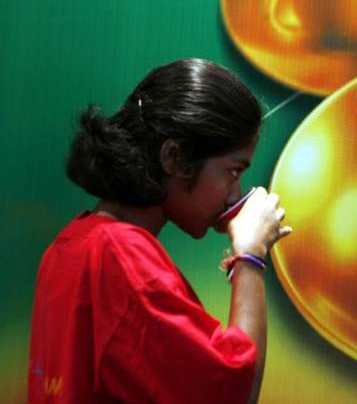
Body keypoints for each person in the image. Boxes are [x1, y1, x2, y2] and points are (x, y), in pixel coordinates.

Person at [28, 58, 292, 404]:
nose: (235, 193)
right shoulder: (122, 258)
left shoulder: (70, 245)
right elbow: (235, 393)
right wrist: (250, 256)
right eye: (232, 171)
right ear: (174, 159)